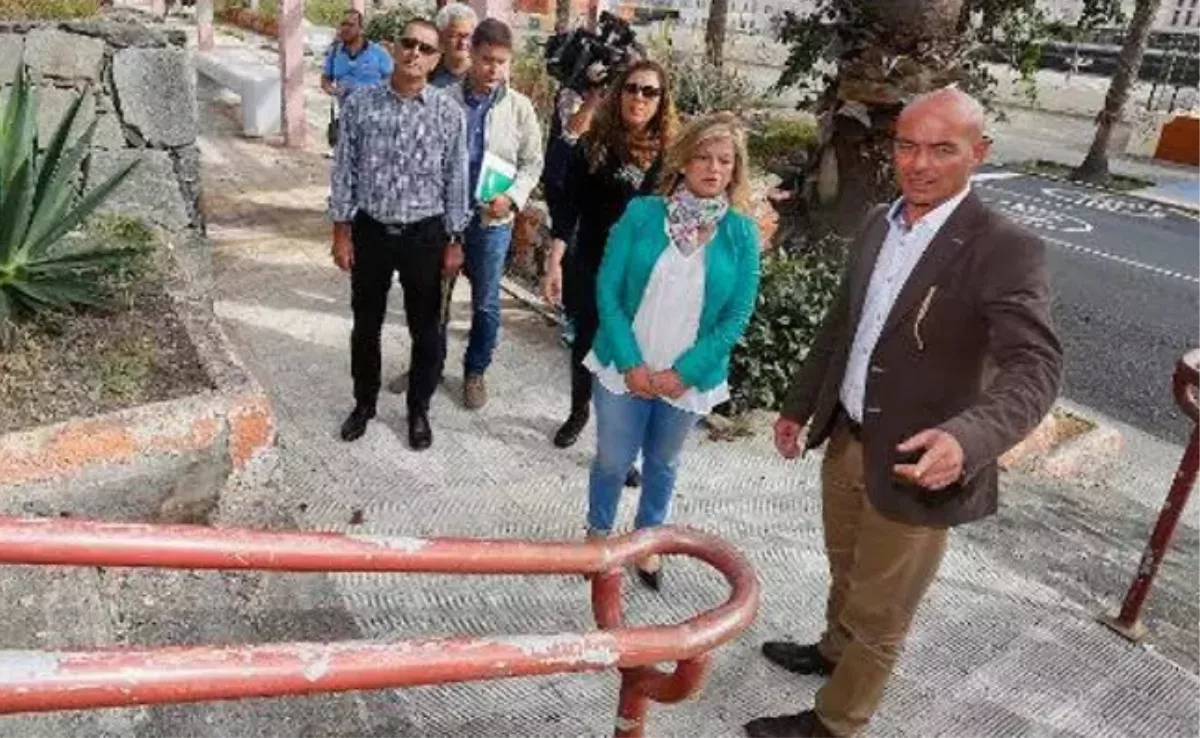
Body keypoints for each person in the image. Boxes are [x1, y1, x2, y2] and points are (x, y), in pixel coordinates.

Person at [743, 87, 1064, 738]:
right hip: (847, 436)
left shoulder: (1004, 248)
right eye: (907, 146)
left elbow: (1036, 367)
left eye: (942, 149)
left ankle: (838, 721)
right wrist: (800, 405)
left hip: (918, 464)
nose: (918, 164)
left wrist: (968, 439)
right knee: (847, 566)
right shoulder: (877, 223)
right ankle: (833, 649)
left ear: (979, 153)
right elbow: (844, 325)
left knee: (883, 611)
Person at [582, 112, 761, 590]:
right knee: (613, 460)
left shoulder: (741, 234)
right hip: (625, 368)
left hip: (687, 379)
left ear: (735, 170)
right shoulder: (642, 214)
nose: (713, 168)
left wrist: (686, 373)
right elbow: (608, 289)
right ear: (682, 161)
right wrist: (630, 362)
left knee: (662, 463)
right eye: (703, 157)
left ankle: (648, 542)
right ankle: (598, 533)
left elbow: (737, 315)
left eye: (725, 161)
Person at [328, 19, 469, 451]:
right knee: (365, 325)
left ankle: (418, 409)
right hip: (371, 231)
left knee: (426, 330)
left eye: (426, 49)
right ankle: (364, 403)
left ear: (437, 59)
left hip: (424, 236)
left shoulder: (448, 112)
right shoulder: (360, 104)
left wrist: (455, 239)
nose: (415, 54)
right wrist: (341, 230)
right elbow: (344, 169)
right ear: (394, 47)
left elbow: (456, 177)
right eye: (408, 43)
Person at [541, 60, 679, 455]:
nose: (639, 97)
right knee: (585, 345)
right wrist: (554, 262)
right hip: (591, 263)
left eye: (649, 91)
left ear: (662, 100)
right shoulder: (595, 145)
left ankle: (620, 441)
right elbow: (568, 207)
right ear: (618, 93)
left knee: (629, 356)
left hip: (642, 276)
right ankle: (578, 411)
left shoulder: (672, 156)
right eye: (631, 88)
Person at [439, 18, 544, 410]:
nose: (493, 69)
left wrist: (512, 199)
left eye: (501, 61)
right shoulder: (444, 100)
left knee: (485, 304)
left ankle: (475, 371)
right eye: (486, 59)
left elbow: (532, 163)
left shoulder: (520, 109)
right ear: (472, 53)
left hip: (491, 224)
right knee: (435, 299)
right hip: (446, 221)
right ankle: (429, 366)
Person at [320, 10, 393, 100]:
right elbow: (326, 78)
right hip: (346, 107)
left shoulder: (377, 52)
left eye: (351, 25)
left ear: (361, 29)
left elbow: (393, 80)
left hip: (373, 106)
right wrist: (332, 90)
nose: (345, 28)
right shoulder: (335, 52)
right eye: (343, 24)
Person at [429, 2, 476, 89]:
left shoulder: (484, 76)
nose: (463, 42)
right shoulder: (428, 74)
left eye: (467, 36)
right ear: (441, 37)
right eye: (455, 36)